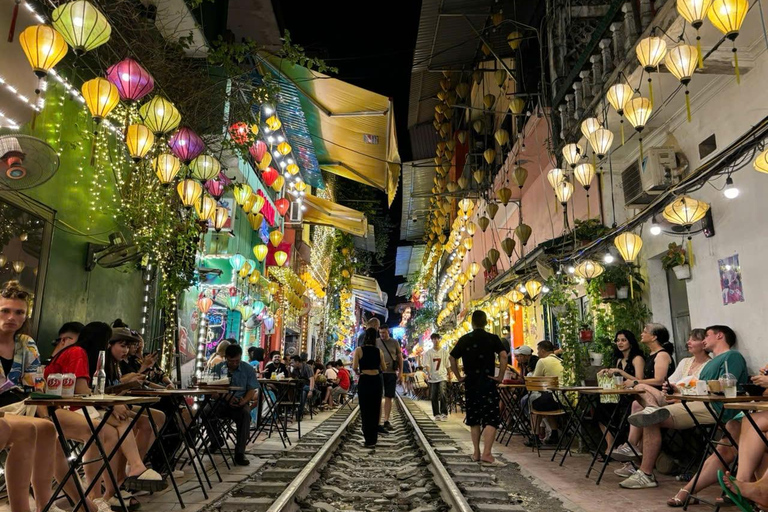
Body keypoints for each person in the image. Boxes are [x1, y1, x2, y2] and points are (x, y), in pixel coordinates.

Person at [0, 281, 111, 512]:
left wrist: (46, 414)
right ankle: (77, 503)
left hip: (23, 403)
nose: (12, 317)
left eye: (19, 312)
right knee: (47, 432)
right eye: (5, 310)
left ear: (25, 316)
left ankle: (48, 504)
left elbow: (36, 386)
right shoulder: (77, 352)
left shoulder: (25, 343)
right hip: (7, 408)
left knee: (54, 430)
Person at [619, 325, 748, 489]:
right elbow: (700, 387)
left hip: (716, 407)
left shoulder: (732, 356)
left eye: (707, 336)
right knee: (648, 411)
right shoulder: (711, 363)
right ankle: (644, 470)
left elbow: (726, 386)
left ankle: (644, 472)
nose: (704, 340)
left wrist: (687, 391)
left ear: (719, 336)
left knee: (651, 417)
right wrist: (678, 390)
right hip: (697, 403)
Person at [613, 329, 708, 479]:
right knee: (637, 403)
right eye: (688, 338)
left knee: (643, 401)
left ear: (705, 344)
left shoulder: (708, 365)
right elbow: (669, 382)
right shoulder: (685, 361)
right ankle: (632, 449)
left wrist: (675, 391)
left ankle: (632, 452)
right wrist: (669, 389)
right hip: (669, 398)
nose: (688, 342)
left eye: (693, 340)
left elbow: (700, 389)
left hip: (686, 402)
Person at [449, 310, 508, 465]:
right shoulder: (492, 338)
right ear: (486, 322)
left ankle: (476, 452)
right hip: (488, 382)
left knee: (474, 418)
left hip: (471, 383)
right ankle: (487, 453)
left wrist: (459, 376)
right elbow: (503, 355)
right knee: (491, 418)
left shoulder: (465, 339)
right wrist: (500, 375)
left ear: (472, 323)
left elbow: (452, 357)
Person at [595, 330, 645, 452]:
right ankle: (610, 444)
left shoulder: (637, 359)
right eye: (618, 340)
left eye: (623, 340)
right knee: (598, 407)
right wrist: (608, 373)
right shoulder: (619, 360)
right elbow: (617, 380)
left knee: (606, 407)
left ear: (630, 342)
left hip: (633, 395)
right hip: (619, 393)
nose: (620, 343)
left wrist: (621, 372)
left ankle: (616, 445)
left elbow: (640, 379)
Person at [209, 344, 258, 465]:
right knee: (205, 411)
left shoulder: (248, 369)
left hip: (240, 401)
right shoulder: (218, 368)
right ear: (226, 358)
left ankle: (240, 452)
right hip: (221, 402)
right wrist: (226, 397)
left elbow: (252, 389)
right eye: (231, 361)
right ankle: (216, 440)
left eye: (237, 361)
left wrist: (244, 401)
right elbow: (211, 389)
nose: (235, 364)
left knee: (245, 414)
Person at [352, 327, 387, 447]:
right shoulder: (379, 351)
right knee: (375, 408)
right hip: (376, 380)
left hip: (365, 380)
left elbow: (354, 366)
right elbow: (384, 368)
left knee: (365, 409)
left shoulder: (358, 350)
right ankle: (373, 439)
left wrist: (358, 372)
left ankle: (368, 438)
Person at [526, 340, 564, 445]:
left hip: (555, 398)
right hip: (565, 399)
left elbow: (534, 381)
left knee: (533, 401)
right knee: (544, 401)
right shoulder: (560, 360)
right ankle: (554, 434)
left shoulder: (543, 361)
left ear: (542, 350)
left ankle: (535, 436)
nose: (537, 354)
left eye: (538, 351)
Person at [377, 326, 403, 432]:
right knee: (378, 397)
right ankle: (377, 421)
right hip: (379, 373)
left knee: (389, 397)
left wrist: (400, 373)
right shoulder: (376, 342)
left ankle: (386, 420)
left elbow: (399, 357)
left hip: (391, 373)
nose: (382, 335)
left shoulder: (394, 342)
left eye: (384, 332)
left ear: (388, 332)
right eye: (380, 333)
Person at [422, 332, 451, 421]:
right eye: (434, 339)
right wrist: (428, 372)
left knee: (443, 393)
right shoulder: (428, 353)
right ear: (432, 340)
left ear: (439, 340)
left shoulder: (444, 352)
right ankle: (436, 414)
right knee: (433, 395)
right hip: (433, 377)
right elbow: (427, 364)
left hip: (442, 376)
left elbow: (447, 365)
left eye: (437, 339)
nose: (436, 341)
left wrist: (449, 375)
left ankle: (444, 413)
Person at [291, 355, 315, 420]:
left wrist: (310, 391)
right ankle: (295, 410)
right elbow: (293, 378)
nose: (291, 364)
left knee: (304, 391)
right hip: (300, 387)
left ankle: (299, 413)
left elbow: (312, 379)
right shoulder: (295, 369)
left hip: (309, 386)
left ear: (297, 362)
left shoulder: (307, 367)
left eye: (292, 363)